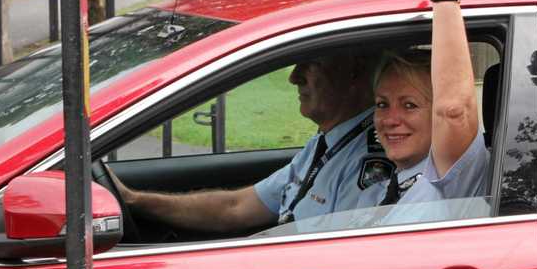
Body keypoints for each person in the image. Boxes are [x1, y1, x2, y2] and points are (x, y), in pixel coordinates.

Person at [112, 52, 380, 233]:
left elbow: (344, 260)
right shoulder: (326, 145)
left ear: (353, 72)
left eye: (309, 65)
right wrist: (135, 200)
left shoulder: (370, 159)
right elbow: (236, 207)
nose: (294, 77)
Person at [369, 0, 501, 213]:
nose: (390, 119)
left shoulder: (449, 182)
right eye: (381, 104)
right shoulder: (390, 183)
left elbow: (453, 111)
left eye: (410, 104)